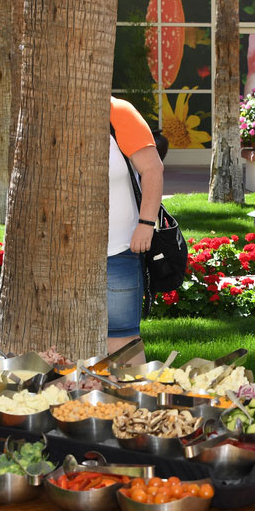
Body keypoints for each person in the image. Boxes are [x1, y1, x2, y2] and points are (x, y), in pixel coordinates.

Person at [107, 97, 164, 357]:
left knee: (121, 339)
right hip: (60, 255)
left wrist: (146, 224)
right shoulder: (44, 113)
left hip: (119, 249)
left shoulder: (117, 111)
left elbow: (152, 169)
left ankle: (133, 397)